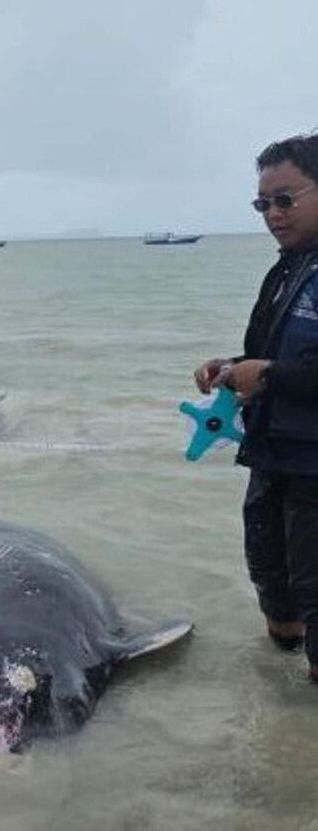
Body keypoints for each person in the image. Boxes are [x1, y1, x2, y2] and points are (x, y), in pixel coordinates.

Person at [194, 133, 318, 682]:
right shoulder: (288, 268)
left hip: (314, 468)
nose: (272, 214)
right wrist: (233, 367)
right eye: (262, 203)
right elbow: (273, 354)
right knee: (271, 577)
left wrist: (267, 375)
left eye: (285, 199)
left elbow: (281, 370)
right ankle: (279, 707)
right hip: (271, 455)